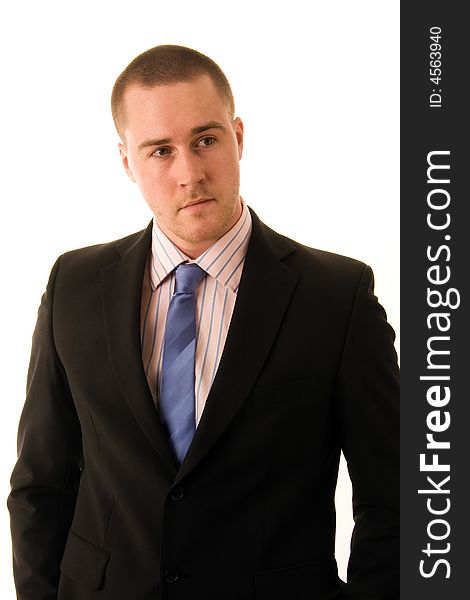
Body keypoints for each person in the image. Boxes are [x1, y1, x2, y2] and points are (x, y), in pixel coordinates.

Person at [7, 45, 399, 600]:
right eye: (160, 151)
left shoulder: (337, 296)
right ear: (128, 162)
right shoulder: (74, 284)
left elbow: (396, 498)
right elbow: (39, 485)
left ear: (238, 136)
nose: (189, 172)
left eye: (205, 140)